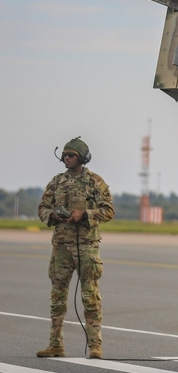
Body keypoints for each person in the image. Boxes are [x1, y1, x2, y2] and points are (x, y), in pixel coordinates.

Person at [36, 137, 114, 359]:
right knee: (57, 297)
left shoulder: (94, 182)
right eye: (64, 155)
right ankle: (55, 344)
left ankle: (95, 346)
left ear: (81, 158)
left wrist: (85, 214)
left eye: (70, 155)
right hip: (61, 247)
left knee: (90, 296)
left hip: (87, 248)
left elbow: (108, 210)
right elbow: (42, 207)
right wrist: (51, 214)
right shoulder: (57, 182)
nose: (66, 159)